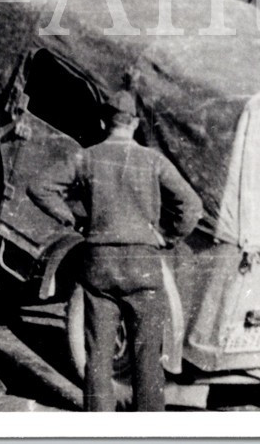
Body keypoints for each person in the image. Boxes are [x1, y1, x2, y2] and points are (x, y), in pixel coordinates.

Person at [28, 90, 203, 412]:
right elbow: (191, 206)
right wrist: (167, 236)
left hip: (100, 265)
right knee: (148, 358)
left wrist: (74, 219)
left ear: (102, 122)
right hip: (143, 265)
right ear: (135, 124)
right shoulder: (153, 160)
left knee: (97, 358)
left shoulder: (86, 157)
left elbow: (39, 187)